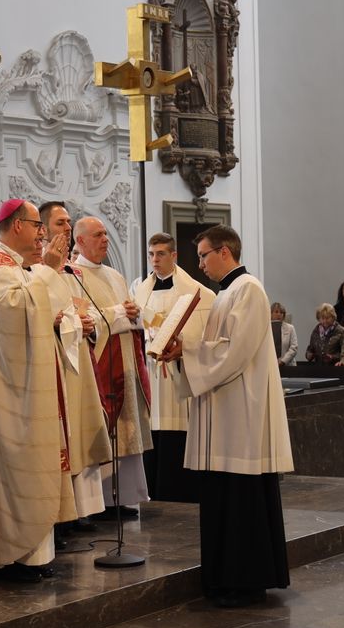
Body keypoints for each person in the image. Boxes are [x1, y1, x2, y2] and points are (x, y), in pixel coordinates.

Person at [158, 225, 292, 608]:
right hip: (225, 412)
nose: (200, 264)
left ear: (224, 252)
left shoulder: (248, 290)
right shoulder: (225, 294)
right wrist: (184, 350)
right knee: (224, 498)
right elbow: (216, 348)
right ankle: (222, 578)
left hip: (242, 416)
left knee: (241, 501)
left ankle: (245, 582)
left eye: (203, 255)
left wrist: (188, 351)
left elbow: (234, 353)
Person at [0, 199, 78, 581]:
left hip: (22, 381)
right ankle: (15, 556)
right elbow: (14, 313)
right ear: (17, 225)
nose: (41, 234)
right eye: (37, 225)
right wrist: (48, 270)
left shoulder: (11, 266)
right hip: (13, 389)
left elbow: (38, 308)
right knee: (19, 466)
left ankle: (31, 556)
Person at [72, 216, 152, 520]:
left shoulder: (115, 276)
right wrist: (119, 312)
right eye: (98, 235)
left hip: (126, 361)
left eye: (106, 233)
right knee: (104, 429)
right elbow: (82, 320)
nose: (105, 239)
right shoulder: (73, 275)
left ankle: (124, 496)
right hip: (100, 366)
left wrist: (133, 312)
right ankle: (100, 501)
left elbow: (128, 314)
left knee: (128, 431)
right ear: (80, 241)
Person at [37, 202, 110, 535]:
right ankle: (61, 512)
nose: (67, 228)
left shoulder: (72, 269)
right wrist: (65, 322)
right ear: (43, 228)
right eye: (60, 223)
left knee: (80, 432)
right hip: (55, 360)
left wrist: (87, 323)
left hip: (78, 355)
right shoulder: (37, 267)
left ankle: (82, 508)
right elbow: (39, 313)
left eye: (69, 222)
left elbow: (84, 310)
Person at [134, 231, 214, 503]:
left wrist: (181, 346)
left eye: (161, 254)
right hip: (151, 374)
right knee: (152, 431)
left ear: (174, 255)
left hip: (179, 375)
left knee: (176, 434)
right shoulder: (139, 292)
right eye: (151, 254)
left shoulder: (199, 293)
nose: (155, 260)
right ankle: (152, 493)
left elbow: (203, 336)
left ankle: (179, 491)